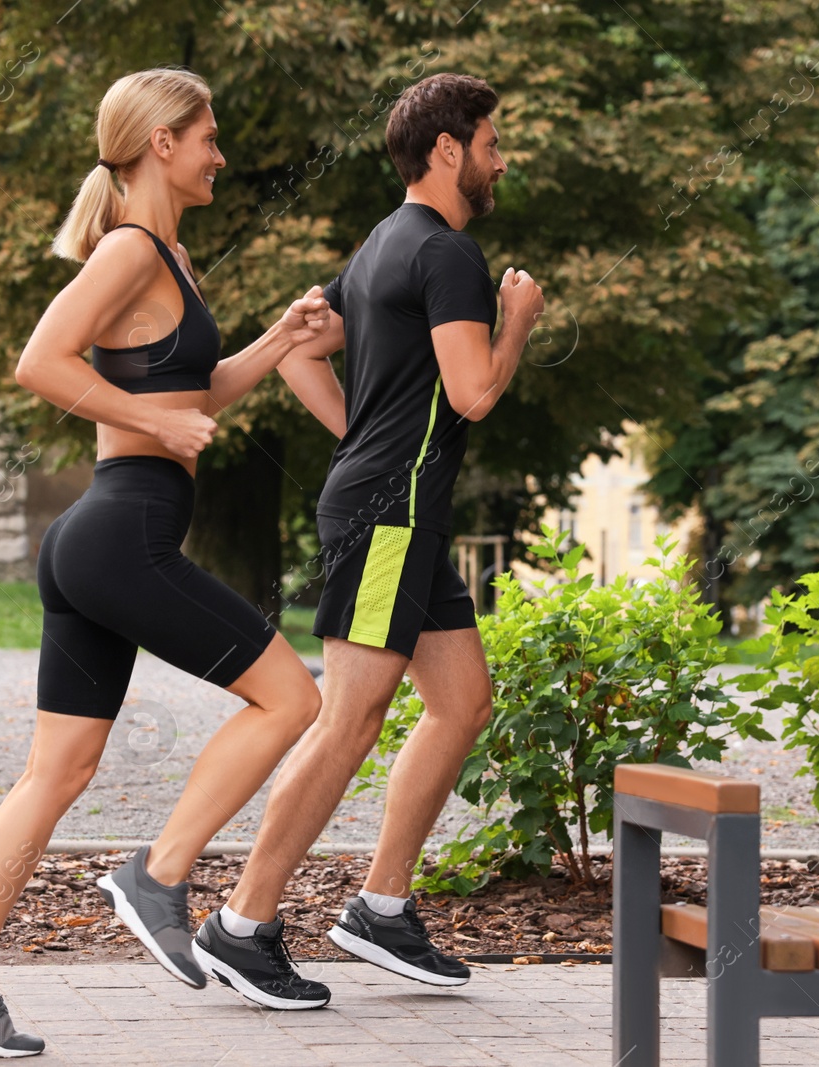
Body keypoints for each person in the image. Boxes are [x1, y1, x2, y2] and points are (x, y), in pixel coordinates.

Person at [0, 67, 332, 1057]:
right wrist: (151, 420)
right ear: (162, 144)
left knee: (57, 769)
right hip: (119, 536)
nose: (222, 152)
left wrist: (280, 336)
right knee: (291, 698)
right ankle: (160, 871)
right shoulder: (130, 249)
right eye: (209, 135)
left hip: (101, 541)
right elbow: (39, 361)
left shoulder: (169, 256)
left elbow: (199, 388)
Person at [190, 72, 545, 1010]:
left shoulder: (382, 242)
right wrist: (515, 324)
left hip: (398, 511)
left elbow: (306, 351)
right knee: (348, 718)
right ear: (446, 150)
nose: (500, 158)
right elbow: (472, 391)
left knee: (462, 701)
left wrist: (357, 438)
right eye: (492, 141)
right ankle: (242, 923)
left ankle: (382, 905)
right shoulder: (451, 253)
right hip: (390, 514)